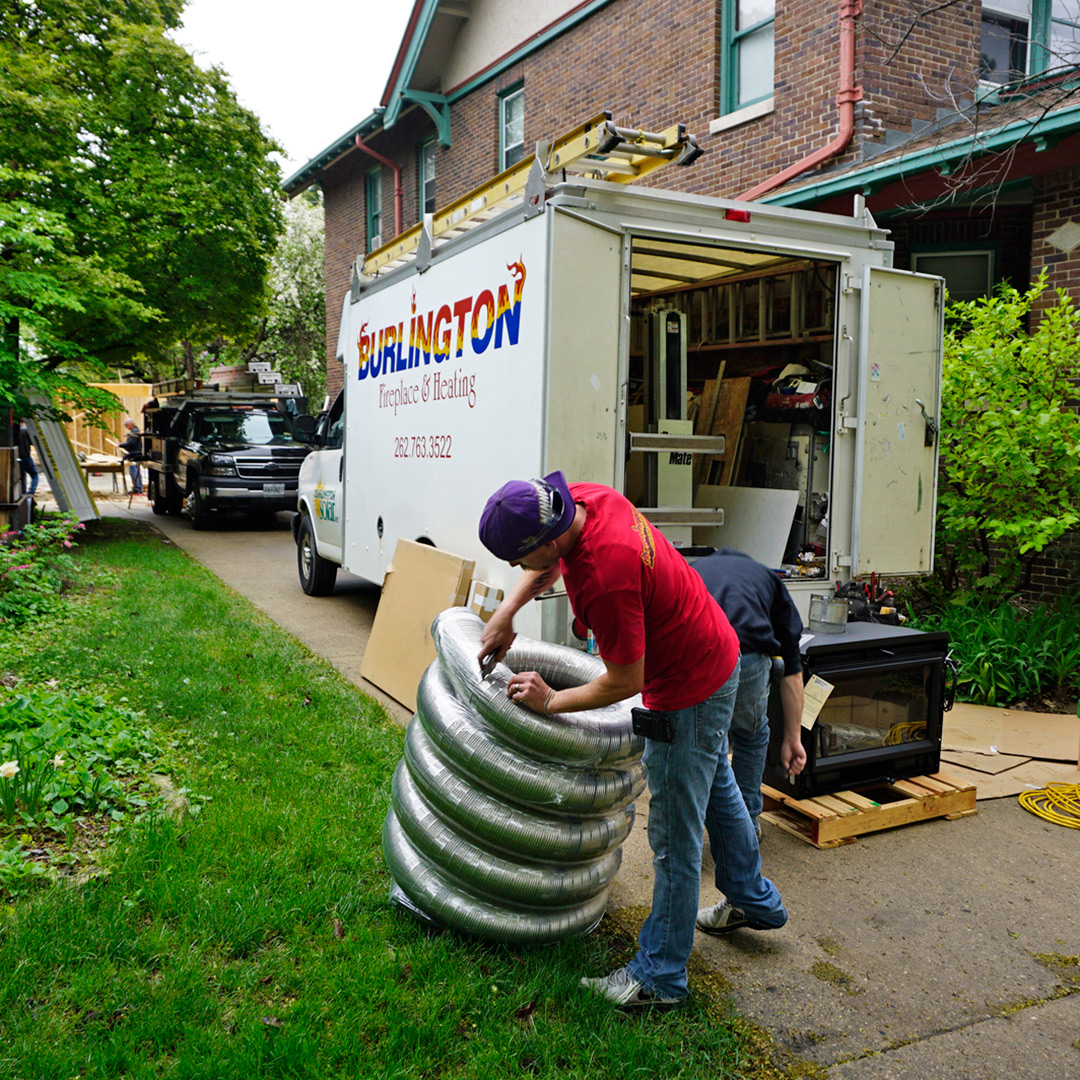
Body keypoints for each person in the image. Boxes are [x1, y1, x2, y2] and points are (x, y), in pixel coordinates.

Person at [477, 471, 787, 1011]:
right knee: (713, 785)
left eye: (515, 558)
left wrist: (550, 701)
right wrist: (508, 611)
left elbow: (625, 681)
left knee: (674, 836)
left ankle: (660, 977)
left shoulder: (606, 576)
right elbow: (551, 558)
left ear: (547, 537)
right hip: (718, 648)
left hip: (687, 686)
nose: (513, 569)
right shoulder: (582, 500)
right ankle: (753, 899)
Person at [690, 548, 808, 843]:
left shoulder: (692, 569)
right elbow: (792, 671)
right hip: (748, 656)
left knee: (700, 742)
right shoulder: (767, 578)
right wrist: (793, 739)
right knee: (751, 735)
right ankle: (745, 827)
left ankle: (691, 826)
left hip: (695, 653)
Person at [119, 418, 144, 494]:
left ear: (131, 424)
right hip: (136, 453)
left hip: (134, 454)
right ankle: (138, 487)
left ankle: (137, 488)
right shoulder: (135, 431)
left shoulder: (134, 432)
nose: (126, 427)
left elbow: (131, 443)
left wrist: (121, 445)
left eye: (126, 425)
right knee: (136, 472)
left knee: (133, 471)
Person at [17, 419, 38, 499]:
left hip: (17, 457)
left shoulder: (13, 431)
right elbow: (33, 442)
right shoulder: (25, 430)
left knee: (22, 476)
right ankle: (31, 492)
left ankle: (23, 493)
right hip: (26, 456)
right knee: (34, 474)